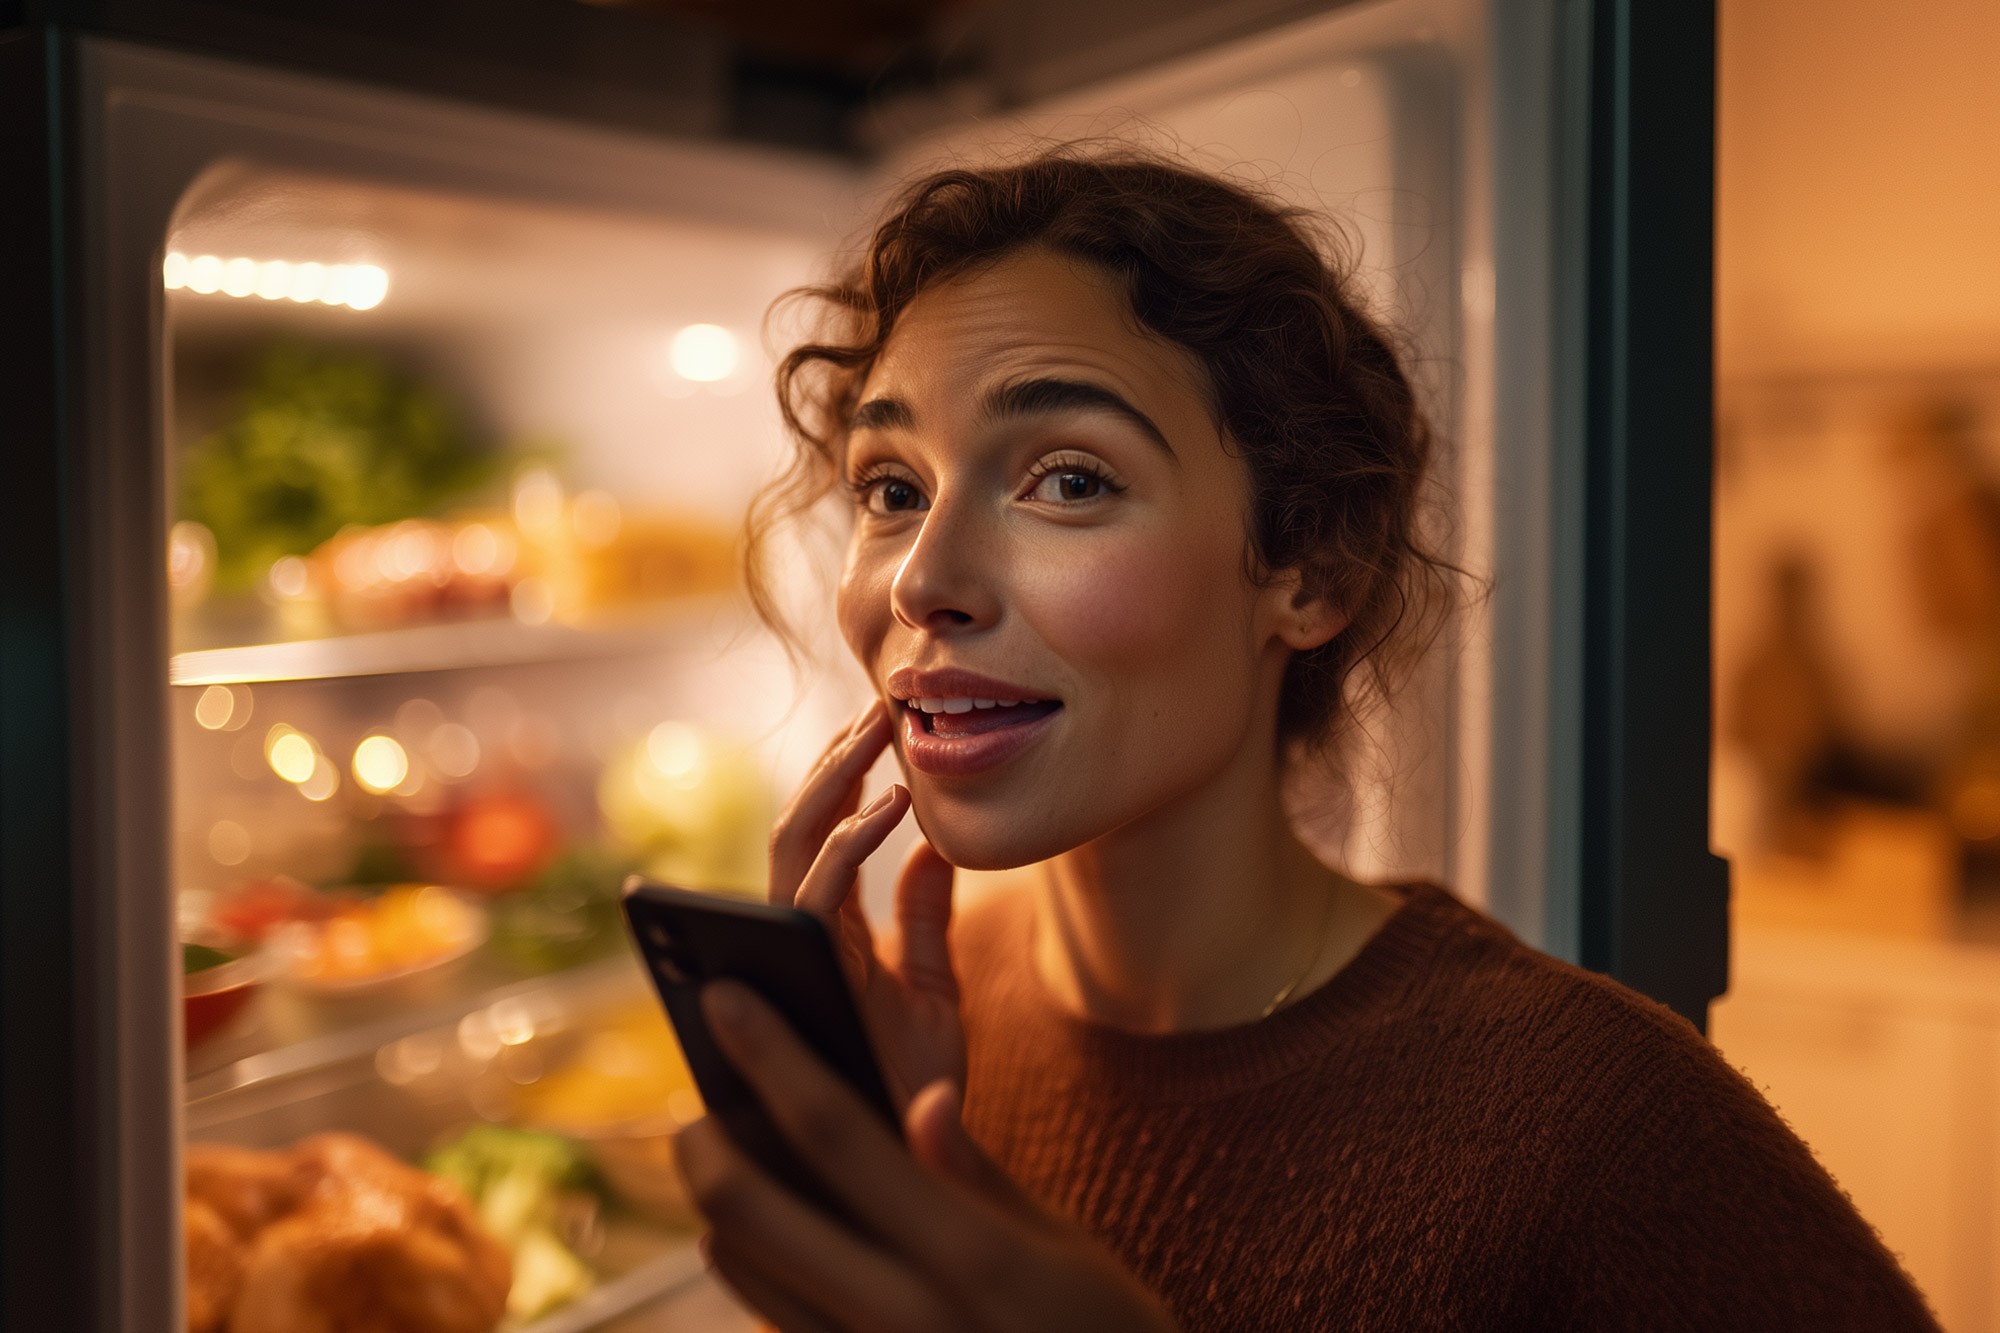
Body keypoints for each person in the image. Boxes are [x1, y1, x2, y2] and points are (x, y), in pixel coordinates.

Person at [670, 149, 1939, 1331]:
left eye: (1067, 477)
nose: (920, 579)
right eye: (890, 489)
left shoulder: (1591, 1120)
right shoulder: (931, 1009)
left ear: (1308, 571)